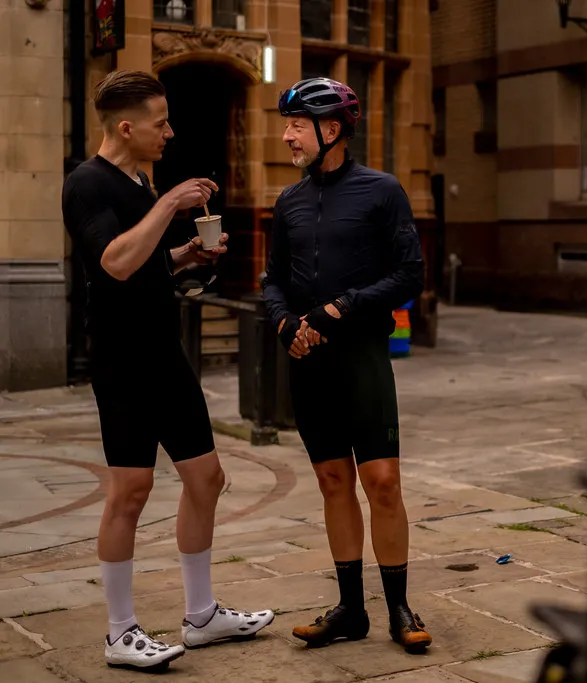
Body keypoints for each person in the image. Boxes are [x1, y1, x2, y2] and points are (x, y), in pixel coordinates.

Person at [61, 70, 274, 672]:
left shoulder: (136, 176)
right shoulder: (86, 184)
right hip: (123, 361)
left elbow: (147, 259)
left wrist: (185, 253)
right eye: (161, 122)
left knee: (207, 479)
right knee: (130, 491)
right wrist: (171, 203)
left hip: (164, 353)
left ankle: (202, 615)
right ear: (126, 127)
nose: (170, 132)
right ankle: (120, 632)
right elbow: (116, 262)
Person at [261, 77, 430, 652]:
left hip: (361, 354)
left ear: (331, 130)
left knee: (381, 481)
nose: (286, 136)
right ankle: (351, 610)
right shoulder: (287, 202)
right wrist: (286, 324)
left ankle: (400, 608)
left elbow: (410, 273)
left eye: (295, 126)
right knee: (333, 481)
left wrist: (341, 307)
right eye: (286, 125)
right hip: (307, 360)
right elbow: (272, 280)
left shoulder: (382, 191)